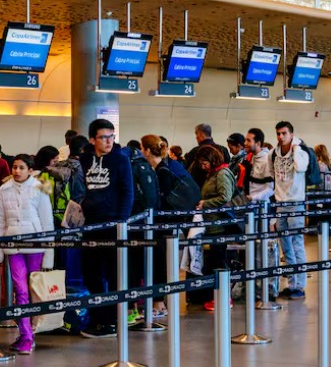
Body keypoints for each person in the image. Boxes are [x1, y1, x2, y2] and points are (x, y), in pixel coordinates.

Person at [79, 118, 134, 336]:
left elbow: (128, 192)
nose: (109, 141)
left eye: (111, 136)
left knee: (113, 274)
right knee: (90, 273)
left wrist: (121, 221)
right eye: (103, 137)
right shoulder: (84, 159)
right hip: (89, 224)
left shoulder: (121, 160)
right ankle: (97, 317)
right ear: (93, 139)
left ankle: (111, 320)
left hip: (113, 224)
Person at [0, 154, 54, 354]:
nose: (17, 171)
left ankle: (31, 332)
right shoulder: (4, 189)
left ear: (30, 170)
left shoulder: (40, 188)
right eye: (14, 167)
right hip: (13, 245)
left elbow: (47, 222)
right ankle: (26, 335)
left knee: (34, 289)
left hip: (35, 245)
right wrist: (0, 248)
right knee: (20, 290)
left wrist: (49, 254)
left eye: (21, 167)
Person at [142, 133, 199, 316]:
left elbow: (162, 200)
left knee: (160, 261)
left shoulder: (162, 171)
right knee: (165, 262)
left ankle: (159, 304)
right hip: (176, 223)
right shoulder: (171, 165)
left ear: (147, 150)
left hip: (165, 225)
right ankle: (162, 302)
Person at [196, 143, 237, 310]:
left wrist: (205, 203)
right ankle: (218, 296)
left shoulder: (222, 174)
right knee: (215, 260)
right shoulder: (213, 173)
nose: (202, 166)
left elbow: (225, 196)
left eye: (204, 162)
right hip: (211, 224)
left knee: (219, 261)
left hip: (219, 225)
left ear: (212, 160)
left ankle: (224, 297)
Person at [270, 121, 309, 298]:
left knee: (297, 243)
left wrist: (295, 150)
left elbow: (301, 167)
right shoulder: (273, 153)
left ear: (291, 134)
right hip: (281, 204)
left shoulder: (301, 152)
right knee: (285, 245)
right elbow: (271, 174)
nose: (281, 137)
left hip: (296, 203)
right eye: (278, 133)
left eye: (284, 133)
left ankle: (299, 285)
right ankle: (292, 282)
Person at [244, 129, 274, 201]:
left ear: (258, 143)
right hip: (251, 204)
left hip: (261, 206)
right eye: (245, 140)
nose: (245, 143)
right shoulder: (252, 157)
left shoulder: (266, 161)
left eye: (248, 140)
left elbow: (270, 189)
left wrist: (253, 197)